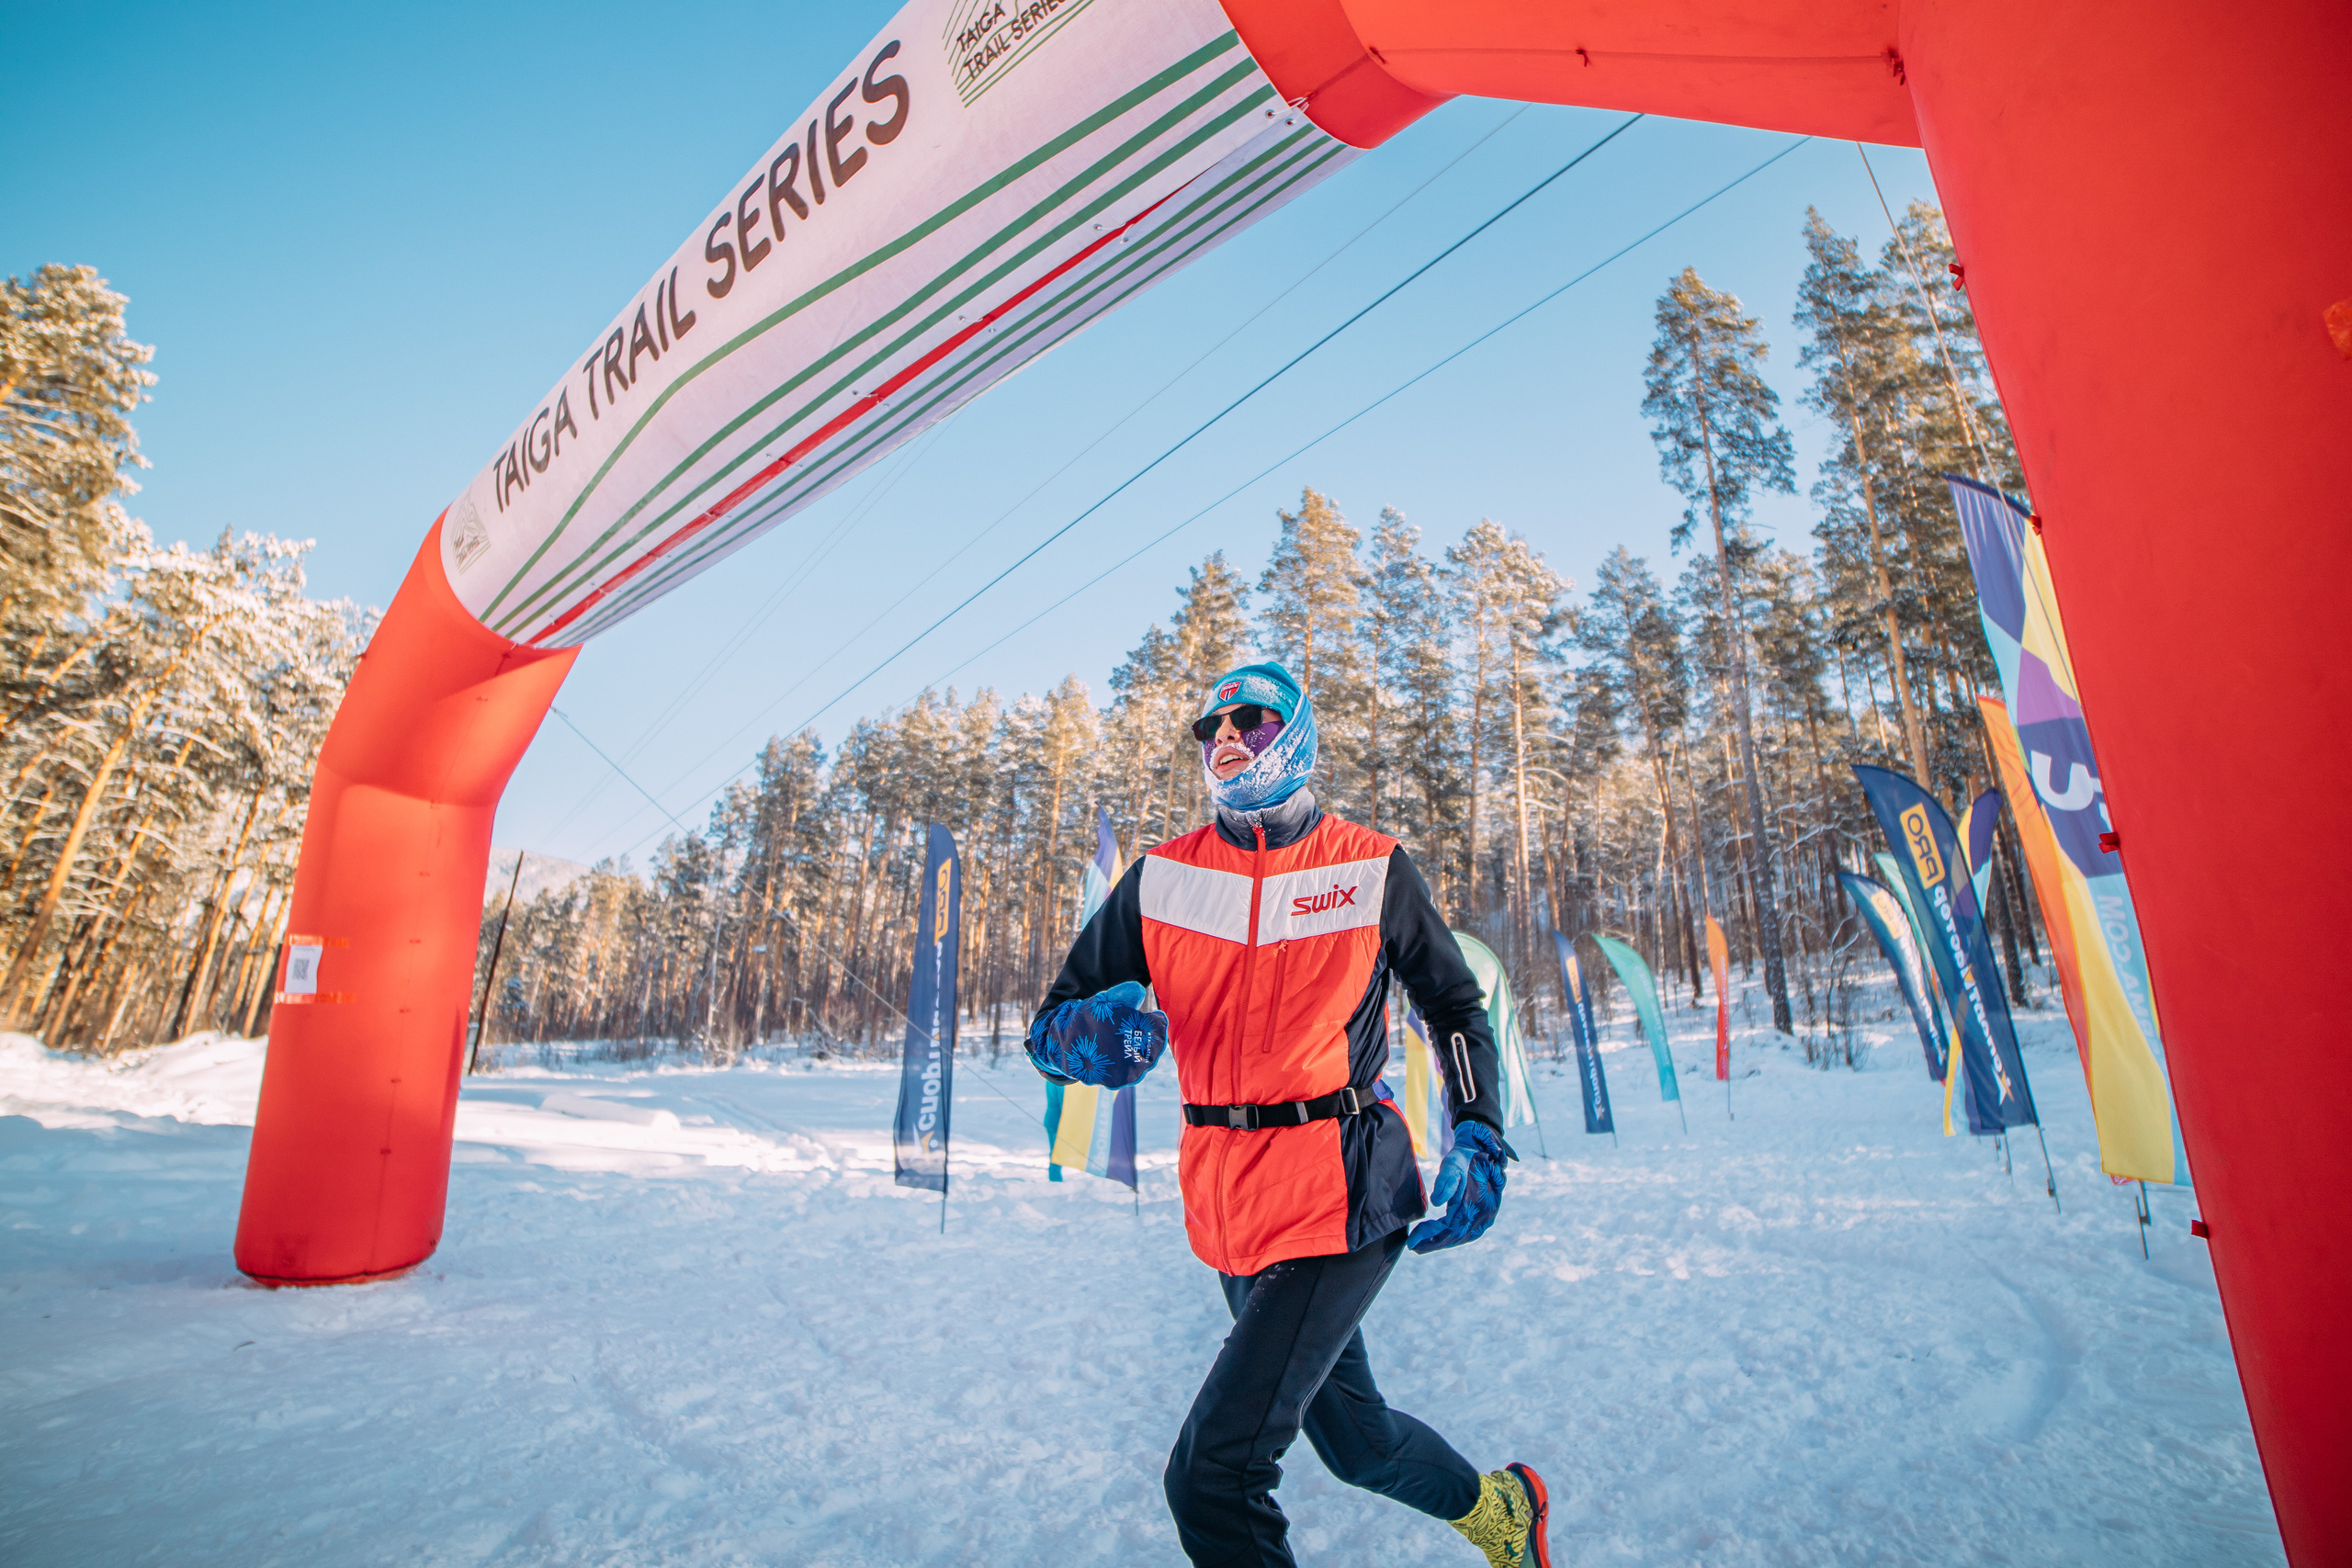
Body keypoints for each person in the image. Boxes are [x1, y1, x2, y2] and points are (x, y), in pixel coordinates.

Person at [1026, 660, 1549, 1568]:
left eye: (1251, 722)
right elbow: (1048, 1028)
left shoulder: (1369, 864)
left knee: (1213, 1476)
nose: (1226, 740)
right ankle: (1500, 1509)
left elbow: (1455, 1008)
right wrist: (1088, 1041)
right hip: (1230, 1202)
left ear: (1296, 731)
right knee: (1358, 1444)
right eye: (1211, 729)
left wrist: (1479, 1130)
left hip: (1343, 1186)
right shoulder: (1162, 880)